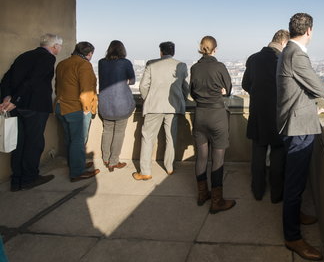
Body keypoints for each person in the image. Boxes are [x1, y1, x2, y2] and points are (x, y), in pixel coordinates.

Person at [277, 13, 324, 261]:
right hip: (298, 126)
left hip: (295, 122)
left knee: (294, 180)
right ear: (309, 30)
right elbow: (320, 89)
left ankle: (295, 216)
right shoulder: (297, 54)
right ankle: (292, 237)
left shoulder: (287, 51)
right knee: (295, 183)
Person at [0, 34, 63, 192]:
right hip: (34, 107)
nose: (59, 49)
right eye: (59, 46)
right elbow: (33, 81)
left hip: (17, 108)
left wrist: (8, 98)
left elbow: (6, 79)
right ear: (55, 46)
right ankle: (29, 178)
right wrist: (15, 100)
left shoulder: (24, 56)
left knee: (19, 143)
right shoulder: (48, 58)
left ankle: (16, 180)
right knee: (34, 143)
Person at [242, 29, 290, 203]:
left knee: (258, 153)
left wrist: (258, 95)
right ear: (284, 43)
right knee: (278, 154)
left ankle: (258, 190)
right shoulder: (284, 60)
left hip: (258, 114)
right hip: (278, 115)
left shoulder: (253, 58)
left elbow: (245, 84)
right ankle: (277, 194)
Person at [190, 36, 236, 214]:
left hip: (200, 115)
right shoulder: (220, 67)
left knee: (201, 157)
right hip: (217, 115)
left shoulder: (194, 68)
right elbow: (229, 89)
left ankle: (202, 194)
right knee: (217, 159)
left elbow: (192, 92)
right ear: (215, 49)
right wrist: (222, 91)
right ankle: (217, 201)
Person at [133, 41, 188, 180]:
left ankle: (145, 171)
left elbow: (143, 86)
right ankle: (169, 167)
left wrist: (148, 99)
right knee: (171, 137)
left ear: (161, 52)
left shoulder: (151, 64)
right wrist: (182, 99)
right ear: (173, 52)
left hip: (154, 106)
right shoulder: (181, 65)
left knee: (147, 137)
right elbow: (184, 87)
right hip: (173, 106)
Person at [55, 41, 100, 182]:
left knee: (69, 138)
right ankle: (77, 172)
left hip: (60, 105)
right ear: (89, 53)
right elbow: (86, 91)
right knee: (78, 141)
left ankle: (75, 164)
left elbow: (57, 86)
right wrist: (88, 110)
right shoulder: (84, 65)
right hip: (75, 108)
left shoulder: (62, 63)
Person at [98, 40, 135, 172]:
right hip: (121, 104)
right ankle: (113, 162)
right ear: (122, 50)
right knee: (119, 132)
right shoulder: (126, 63)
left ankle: (106, 158)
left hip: (105, 103)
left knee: (107, 130)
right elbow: (133, 80)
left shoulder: (101, 62)